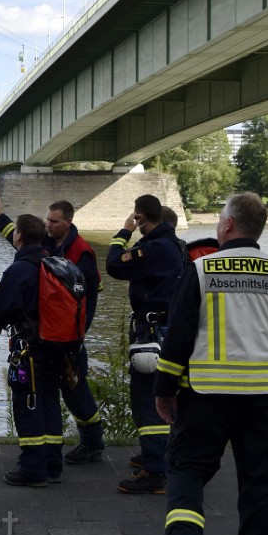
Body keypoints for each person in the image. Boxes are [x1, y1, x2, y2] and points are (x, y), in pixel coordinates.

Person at [155, 192, 268, 535]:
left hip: (206, 396)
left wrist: (164, 390)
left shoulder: (201, 269)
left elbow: (178, 338)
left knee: (186, 470)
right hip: (263, 398)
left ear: (227, 225)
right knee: (260, 483)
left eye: (218, 219)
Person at [0, 192, 106, 464]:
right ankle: (55, 457)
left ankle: (92, 441)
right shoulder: (47, 246)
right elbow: (21, 240)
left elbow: (89, 297)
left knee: (75, 391)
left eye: (54, 221)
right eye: (47, 221)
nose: (49, 225)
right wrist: (0, 214)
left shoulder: (81, 252)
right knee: (53, 393)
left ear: (69, 221)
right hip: (49, 334)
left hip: (69, 336)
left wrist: (78, 333)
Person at [105, 193, 185, 495]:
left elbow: (114, 265)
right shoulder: (177, 245)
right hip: (169, 331)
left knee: (147, 399)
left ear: (140, 217)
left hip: (153, 334)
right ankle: (159, 455)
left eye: (136, 219)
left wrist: (123, 233)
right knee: (164, 395)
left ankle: (154, 471)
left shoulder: (154, 248)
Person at [0, 214, 65, 487]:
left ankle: (32, 468)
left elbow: (2, 311)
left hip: (29, 350)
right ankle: (52, 465)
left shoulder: (19, 270)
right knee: (50, 404)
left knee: (27, 405)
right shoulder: (57, 265)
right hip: (59, 347)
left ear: (18, 236)